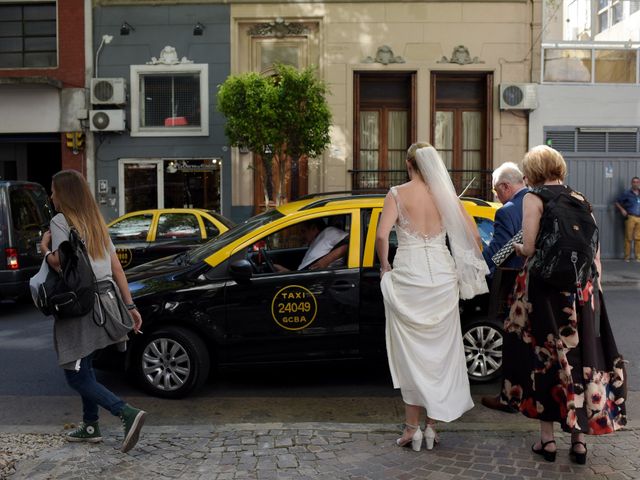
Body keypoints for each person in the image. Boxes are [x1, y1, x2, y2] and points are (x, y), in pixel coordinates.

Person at [503, 145, 626, 464]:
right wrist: (594, 291)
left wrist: (517, 247)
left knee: (547, 359)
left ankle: (547, 442)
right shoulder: (581, 198)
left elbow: (530, 247)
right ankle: (579, 441)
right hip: (582, 294)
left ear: (533, 171)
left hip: (546, 294)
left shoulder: (535, 197)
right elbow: (594, 254)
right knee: (581, 359)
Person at [376, 143, 489, 452]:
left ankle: (411, 428)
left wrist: (385, 267)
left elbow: (383, 235)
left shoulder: (397, 194)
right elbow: (475, 238)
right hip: (441, 278)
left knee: (411, 355)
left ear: (409, 165)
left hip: (409, 278)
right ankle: (432, 427)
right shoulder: (446, 197)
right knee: (440, 354)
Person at [39, 170, 147, 453]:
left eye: (54, 190)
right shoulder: (96, 222)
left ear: (65, 194)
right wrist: (130, 305)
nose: (51, 196)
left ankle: (125, 412)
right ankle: (90, 426)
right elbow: (117, 267)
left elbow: (61, 264)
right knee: (84, 366)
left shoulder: (61, 221)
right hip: (105, 299)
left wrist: (44, 249)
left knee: (74, 374)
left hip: (80, 305)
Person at [480, 162, 527, 413]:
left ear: (506, 186)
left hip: (512, 284)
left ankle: (510, 398)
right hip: (538, 282)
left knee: (512, 342)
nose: (496, 197)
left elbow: (497, 252)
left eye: (496, 191)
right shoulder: (537, 200)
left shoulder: (507, 211)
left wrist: (476, 270)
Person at [274, 218, 348, 271]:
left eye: (303, 231)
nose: (301, 236)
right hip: (302, 280)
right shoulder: (315, 240)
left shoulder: (330, 232)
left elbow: (351, 241)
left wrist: (326, 260)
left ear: (313, 228)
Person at [614, 176, 640, 262]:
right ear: (631, 183)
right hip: (631, 217)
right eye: (634, 182)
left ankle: (638, 257)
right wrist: (622, 210)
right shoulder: (627, 193)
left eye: (637, 182)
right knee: (628, 238)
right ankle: (627, 257)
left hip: (639, 218)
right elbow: (617, 202)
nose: (635, 183)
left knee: (638, 238)